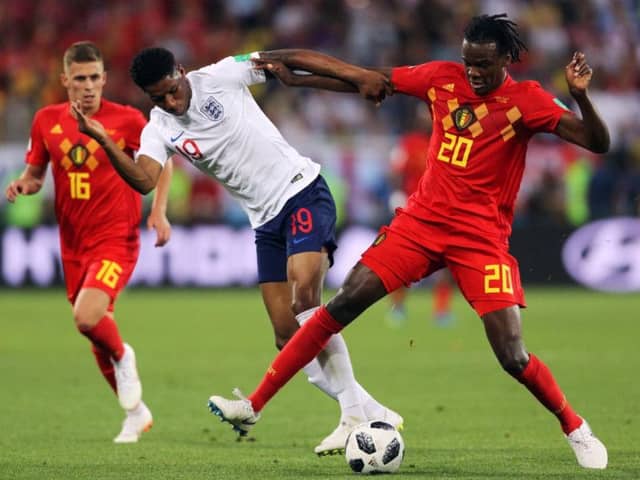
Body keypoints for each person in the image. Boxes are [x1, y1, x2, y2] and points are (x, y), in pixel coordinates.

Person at [207, 14, 610, 470]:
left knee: (512, 355)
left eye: (483, 64)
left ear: (506, 60)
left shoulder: (528, 100)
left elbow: (597, 142)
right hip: (420, 224)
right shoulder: (441, 78)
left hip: (480, 240)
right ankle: (255, 405)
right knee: (340, 305)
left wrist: (581, 98)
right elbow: (369, 79)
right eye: (468, 62)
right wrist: (300, 80)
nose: (473, 72)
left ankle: (575, 426)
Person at [72, 46, 402, 455]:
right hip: (264, 222)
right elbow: (143, 180)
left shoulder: (223, 75)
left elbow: (293, 55)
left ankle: (352, 416)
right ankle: (372, 410)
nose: (171, 101)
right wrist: (104, 139)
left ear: (181, 70)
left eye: (173, 90)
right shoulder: (158, 127)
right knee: (288, 337)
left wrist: (358, 74)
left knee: (305, 302)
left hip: (302, 191)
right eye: (159, 98)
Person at [5, 41, 173, 443]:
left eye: (95, 77)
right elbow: (37, 172)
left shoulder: (128, 120)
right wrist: (24, 184)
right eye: (80, 79)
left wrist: (159, 210)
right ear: (65, 80)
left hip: (115, 238)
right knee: (94, 326)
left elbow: (162, 159)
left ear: (104, 79)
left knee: (86, 317)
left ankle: (124, 356)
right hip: (73, 243)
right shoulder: (46, 120)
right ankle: (135, 412)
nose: (88, 86)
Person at [385, 104, 455, 327]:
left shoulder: (447, 142)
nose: (427, 120)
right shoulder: (408, 143)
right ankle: (398, 308)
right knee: (402, 262)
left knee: (445, 264)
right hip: (412, 211)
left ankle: (442, 311)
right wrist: (397, 194)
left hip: (441, 212)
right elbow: (395, 172)